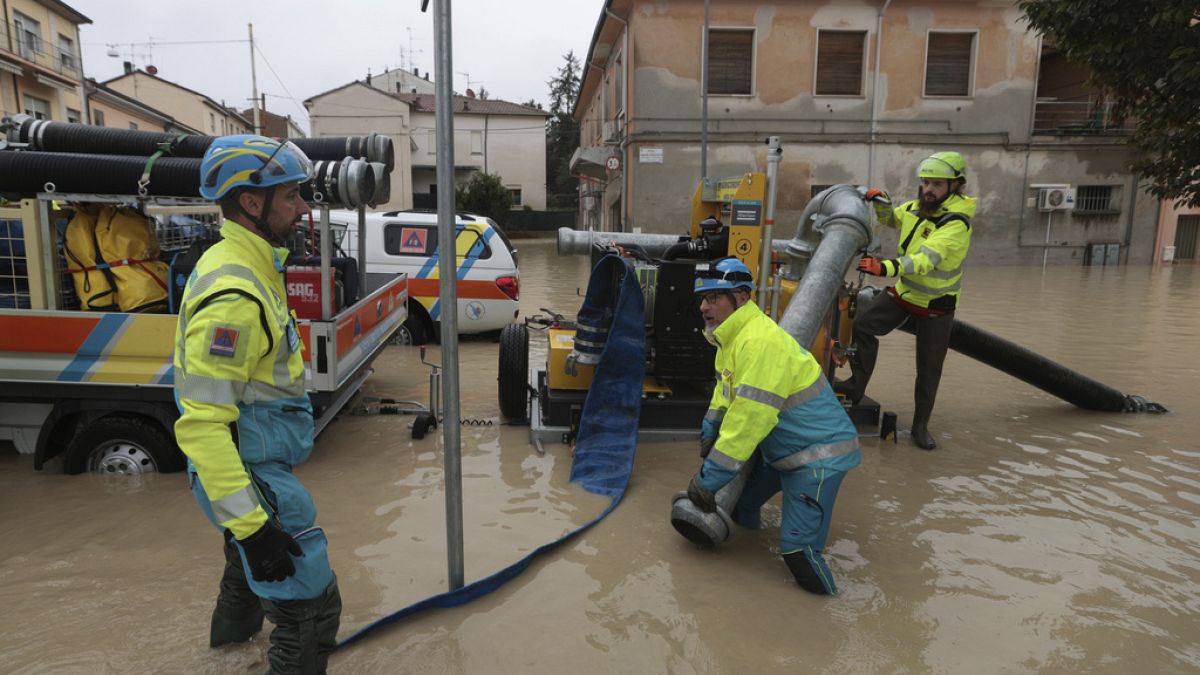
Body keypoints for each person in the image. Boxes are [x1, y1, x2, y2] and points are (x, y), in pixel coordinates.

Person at [174, 135, 341, 672]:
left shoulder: (244, 263)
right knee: (309, 609)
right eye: (291, 196)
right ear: (252, 202)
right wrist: (254, 527)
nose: (303, 208)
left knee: (247, 575)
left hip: (250, 472)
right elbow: (202, 427)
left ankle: (224, 655)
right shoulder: (235, 297)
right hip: (251, 477)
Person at [685, 257, 861, 595]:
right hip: (782, 451)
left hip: (817, 458)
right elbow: (726, 392)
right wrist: (711, 425)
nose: (704, 307)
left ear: (742, 297)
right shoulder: (730, 338)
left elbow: (749, 420)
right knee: (743, 506)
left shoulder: (759, 343)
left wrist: (708, 480)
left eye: (714, 298)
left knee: (798, 552)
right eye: (702, 299)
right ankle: (746, 580)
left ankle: (828, 617)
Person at [836, 151, 977, 450]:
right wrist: (882, 202)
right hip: (904, 294)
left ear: (955, 186)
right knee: (863, 326)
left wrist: (883, 268)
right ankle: (855, 387)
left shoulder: (956, 225)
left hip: (936, 306)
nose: (929, 190)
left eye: (937, 184)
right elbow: (891, 220)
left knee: (928, 369)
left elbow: (925, 260)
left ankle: (920, 427)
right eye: (926, 182)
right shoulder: (915, 208)